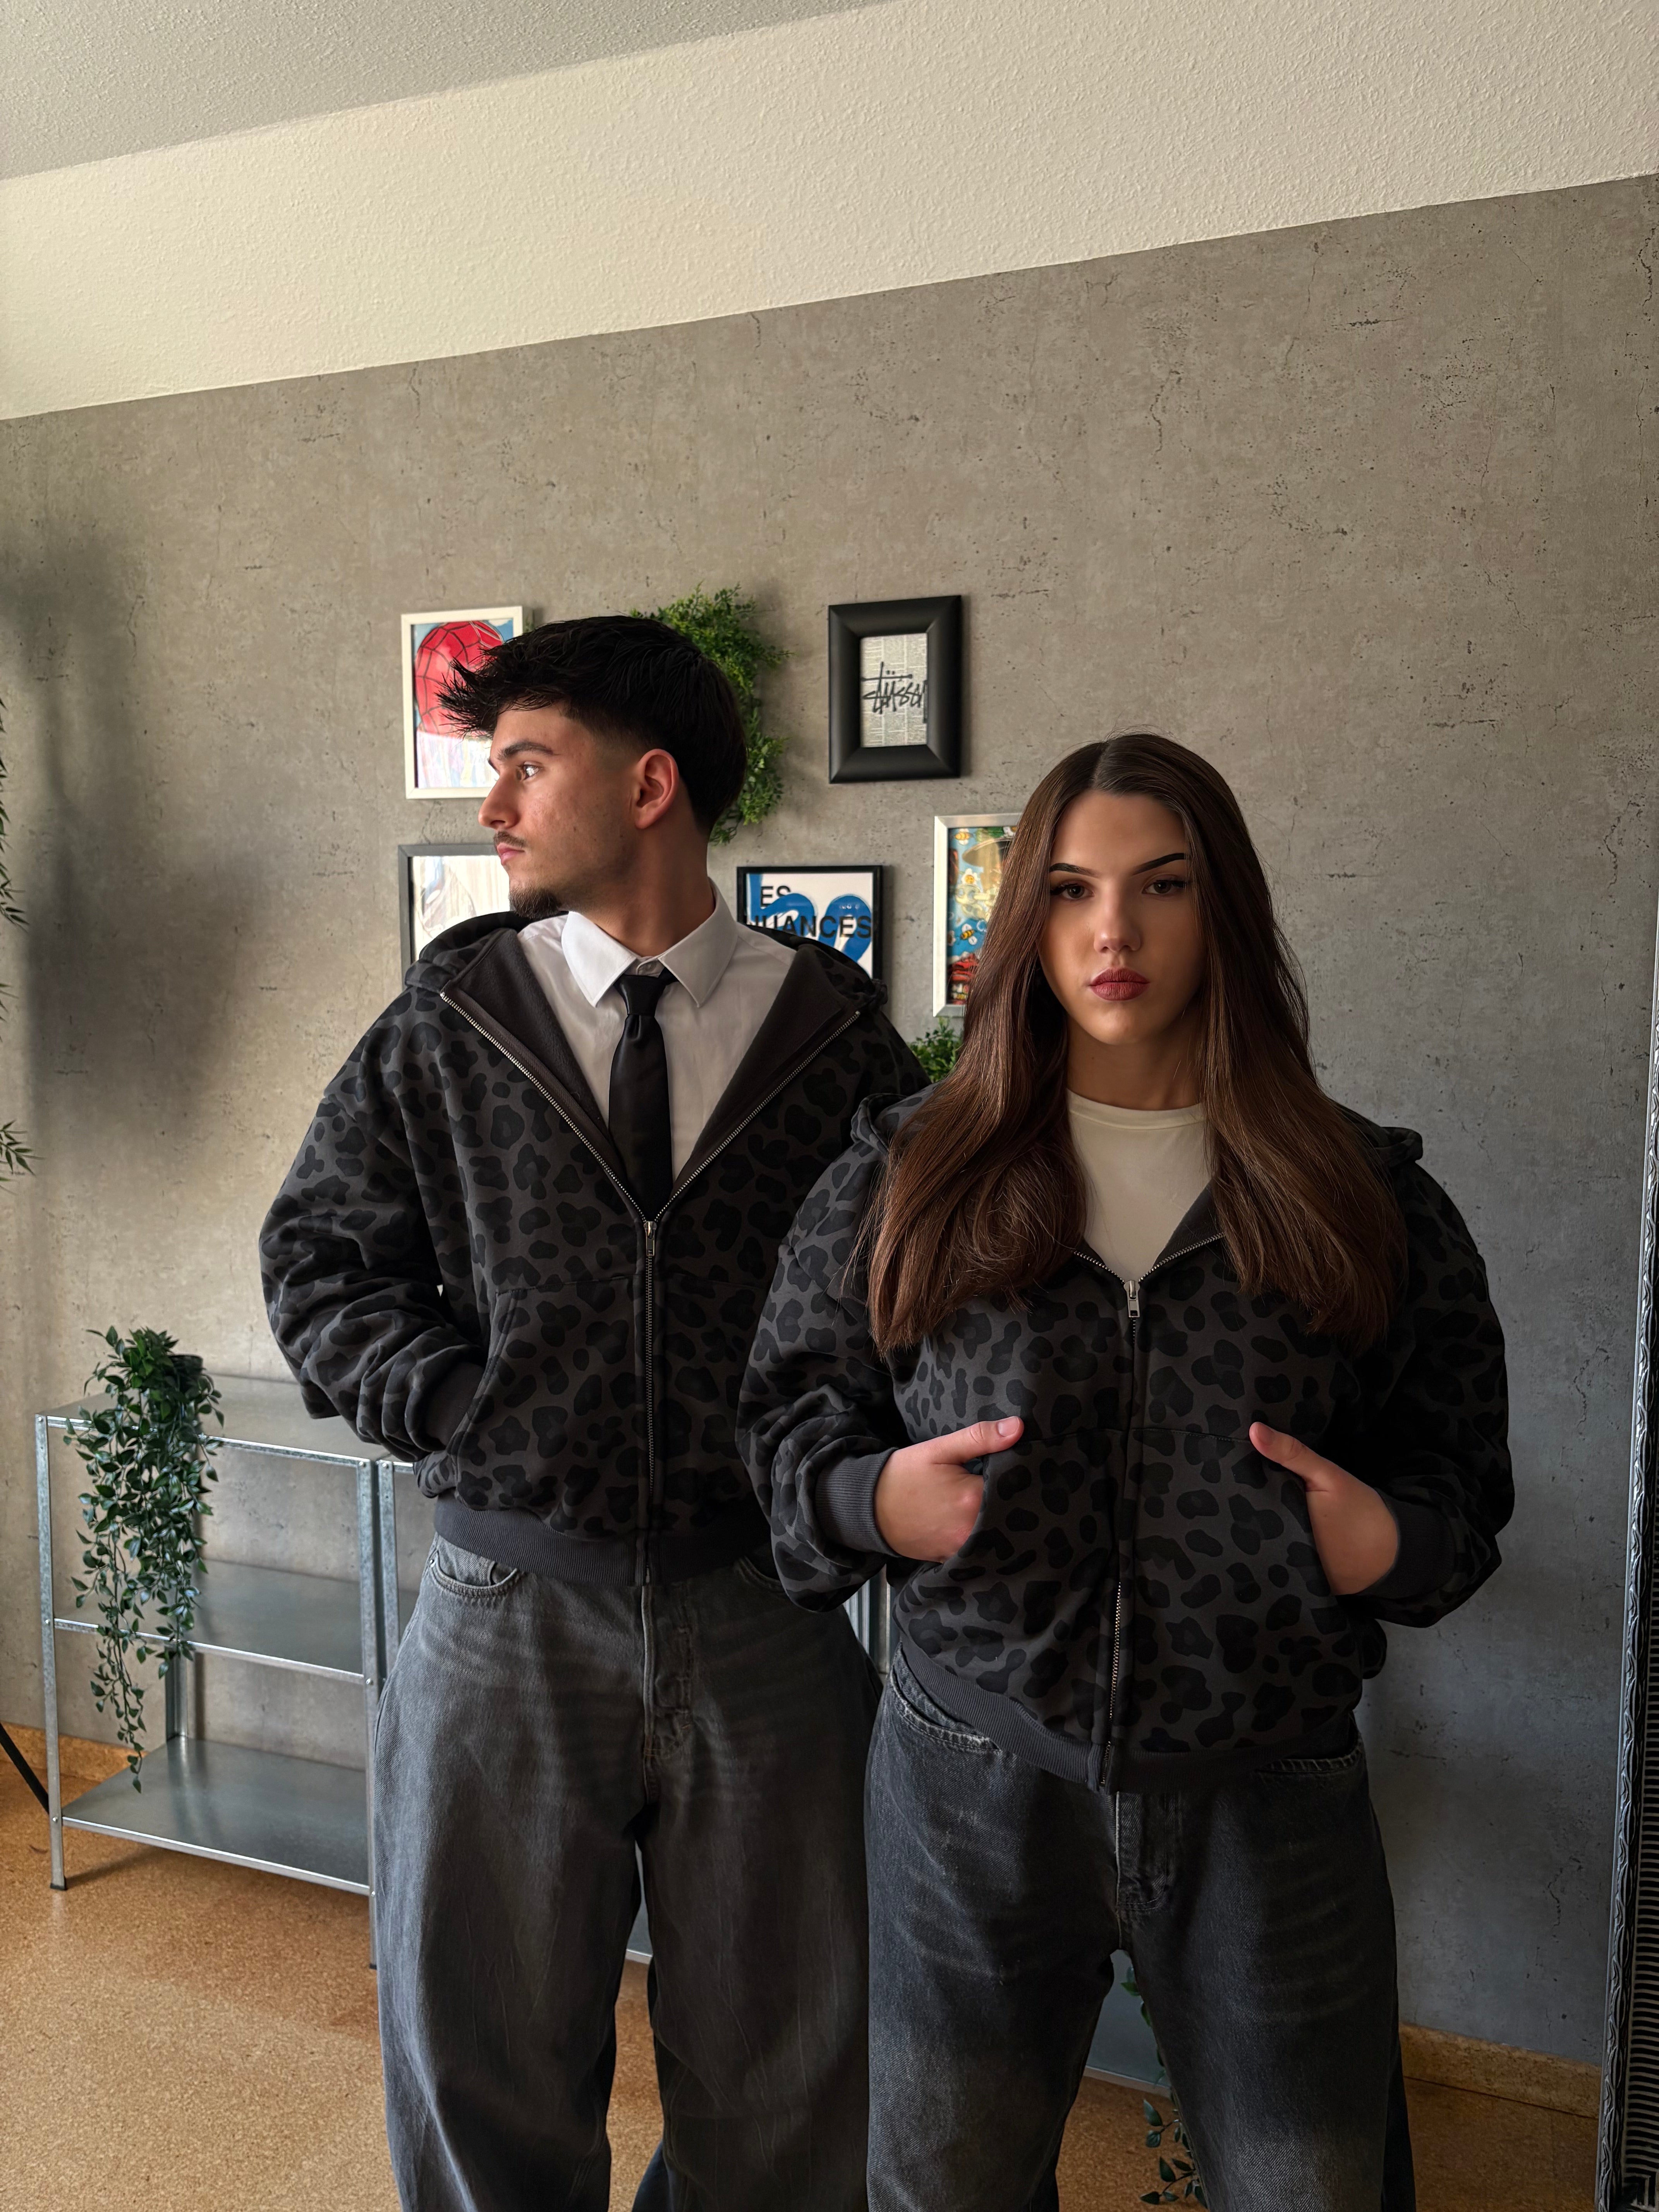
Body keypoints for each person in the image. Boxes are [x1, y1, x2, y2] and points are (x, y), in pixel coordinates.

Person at [739, 733, 1512, 2212]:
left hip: (1268, 1790)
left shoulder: (1361, 1192)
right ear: (1024, 921)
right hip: (969, 1778)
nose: (1115, 932)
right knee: (942, 2187)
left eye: (1162, 886)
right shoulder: (911, 1173)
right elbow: (784, 1423)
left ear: (1224, 911)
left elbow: (1460, 1481)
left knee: (1312, 2187)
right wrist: (867, 1502)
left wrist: (1385, 1545)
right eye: (1072, 889)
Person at [261, 615, 924, 2212]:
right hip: (504, 1616)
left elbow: (915, 1300)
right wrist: (457, 1406)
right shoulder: (451, 1021)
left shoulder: (834, 1040)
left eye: (525, 765)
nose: (492, 806)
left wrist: (855, 1481)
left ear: (648, 785)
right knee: (478, 2062)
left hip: (764, 1622)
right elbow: (319, 1257)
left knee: (788, 2082)